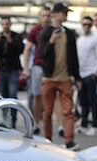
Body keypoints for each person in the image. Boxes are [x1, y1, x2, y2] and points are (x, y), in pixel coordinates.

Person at [38, 3, 81, 150]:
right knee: (47, 112)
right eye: (63, 12)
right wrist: (51, 41)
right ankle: (47, 140)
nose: (66, 15)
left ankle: (69, 141)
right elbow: (41, 54)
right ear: (55, 14)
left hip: (65, 77)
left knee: (68, 111)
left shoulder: (69, 33)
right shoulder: (46, 32)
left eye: (66, 13)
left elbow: (74, 57)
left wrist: (77, 77)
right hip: (49, 78)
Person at [0, 16, 24, 127]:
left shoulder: (16, 37)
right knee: (3, 96)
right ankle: (5, 119)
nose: (5, 26)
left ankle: (13, 119)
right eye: (3, 24)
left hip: (13, 69)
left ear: (10, 24)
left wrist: (11, 41)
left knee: (12, 95)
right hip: (2, 70)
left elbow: (20, 49)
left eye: (7, 24)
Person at [21, 6, 52, 135]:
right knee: (37, 95)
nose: (45, 18)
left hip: (52, 67)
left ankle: (55, 126)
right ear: (40, 17)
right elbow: (27, 49)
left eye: (48, 16)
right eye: (43, 15)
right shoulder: (35, 30)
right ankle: (36, 123)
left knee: (51, 96)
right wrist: (26, 68)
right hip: (38, 65)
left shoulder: (54, 30)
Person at [76, 16, 97, 136]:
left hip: (90, 73)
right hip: (81, 73)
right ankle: (84, 123)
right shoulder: (80, 40)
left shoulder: (96, 39)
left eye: (89, 24)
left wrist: (94, 71)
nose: (86, 26)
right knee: (83, 100)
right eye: (84, 24)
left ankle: (95, 124)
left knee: (93, 100)